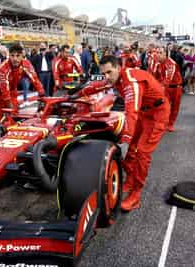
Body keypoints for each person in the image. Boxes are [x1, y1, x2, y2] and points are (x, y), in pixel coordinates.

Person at [72, 55, 170, 211]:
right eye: (104, 73)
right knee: (131, 150)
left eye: (109, 72)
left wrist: (125, 138)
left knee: (142, 153)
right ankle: (130, 181)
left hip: (157, 114)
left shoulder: (131, 81)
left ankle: (136, 194)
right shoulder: (116, 77)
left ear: (118, 67)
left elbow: (131, 111)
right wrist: (76, 95)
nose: (107, 77)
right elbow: (99, 85)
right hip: (144, 113)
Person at [0, 43, 45, 110]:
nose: (15, 59)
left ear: (22, 56)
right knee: (2, 115)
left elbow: (35, 79)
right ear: (9, 55)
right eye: (12, 56)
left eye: (18, 56)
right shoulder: (3, 68)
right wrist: (9, 103)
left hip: (13, 91)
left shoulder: (26, 64)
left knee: (16, 112)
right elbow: (4, 88)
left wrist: (42, 94)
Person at [156, 47, 183, 132]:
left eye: (160, 53)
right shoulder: (159, 64)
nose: (158, 55)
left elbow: (168, 78)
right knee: (164, 106)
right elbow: (157, 76)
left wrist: (160, 87)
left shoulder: (170, 63)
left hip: (175, 88)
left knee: (174, 107)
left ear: (165, 54)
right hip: (166, 88)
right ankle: (163, 123)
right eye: (157, 52)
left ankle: (170, 124)